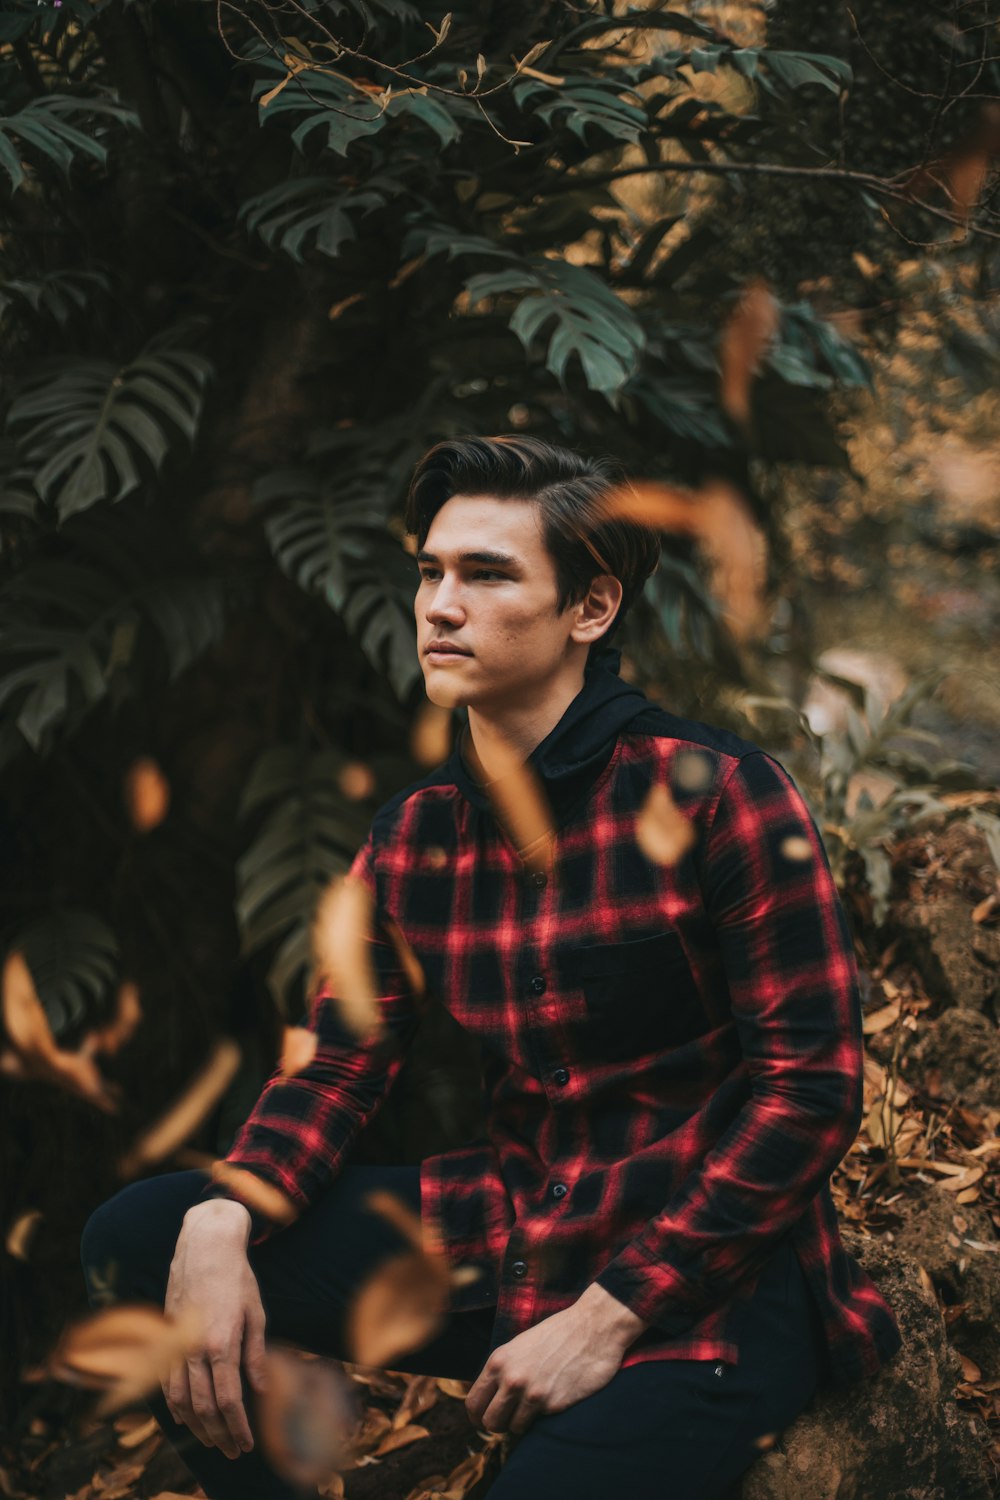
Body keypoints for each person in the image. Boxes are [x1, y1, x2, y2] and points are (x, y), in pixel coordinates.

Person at [82, 435, 902, 1500]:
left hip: (704, 1288)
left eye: (486, 573)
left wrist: (607, 1317)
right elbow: (339, 1068)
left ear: (590, 609)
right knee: (140, 1242)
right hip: (512, 1230)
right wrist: (226, 1212)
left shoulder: (718, 795)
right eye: (429, 571)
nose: (437, 604)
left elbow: (813, 1090)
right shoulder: (417, 835)